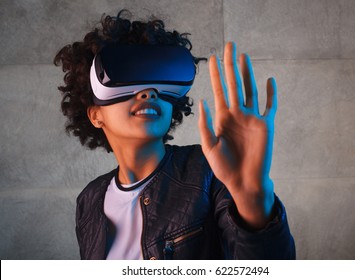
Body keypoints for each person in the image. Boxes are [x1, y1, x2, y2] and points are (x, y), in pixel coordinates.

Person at [54, 10, 295, 260]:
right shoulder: (89, 200)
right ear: (95, 115)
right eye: (128, 76)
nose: (149, 92)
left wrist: (254, 201)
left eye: (159, 79)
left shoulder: (209, 170)